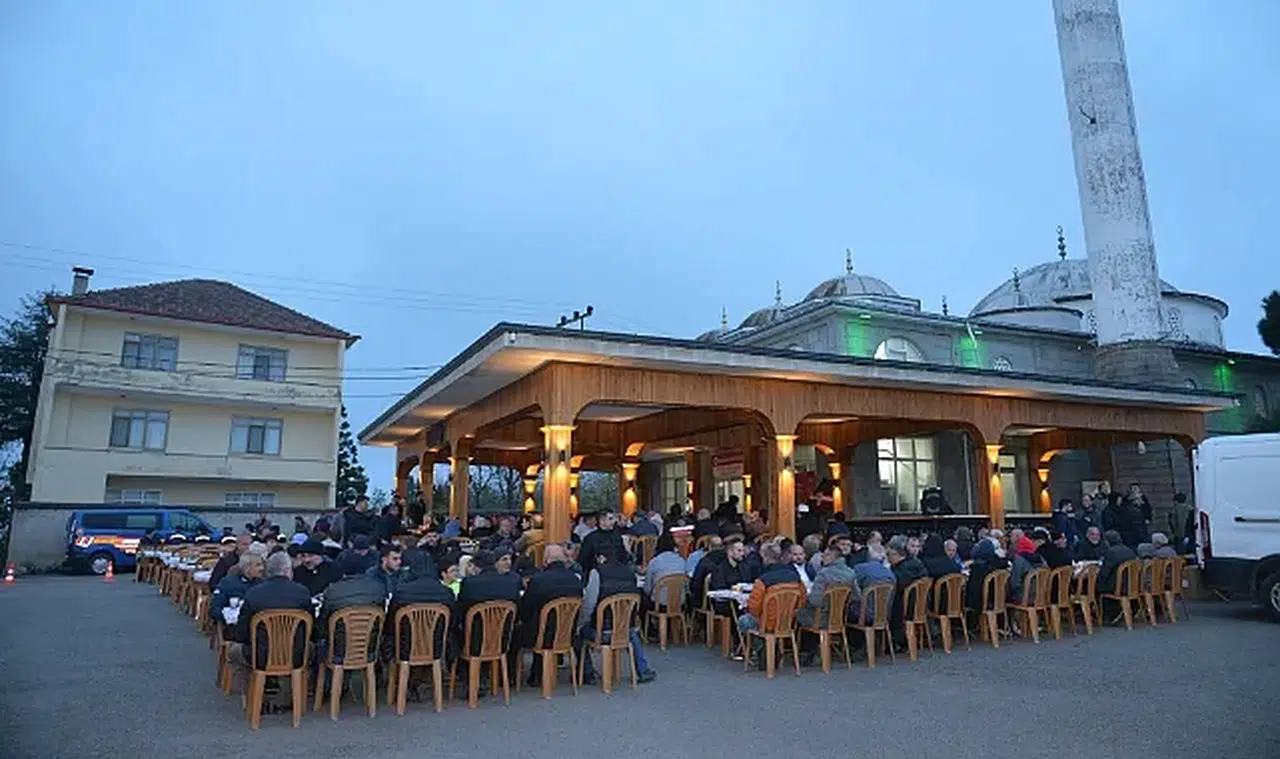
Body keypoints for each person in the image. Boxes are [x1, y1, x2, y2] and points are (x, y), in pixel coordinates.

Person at [228, 552, 313, 694]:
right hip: (295, 653)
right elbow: (310, 628)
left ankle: (251, 694)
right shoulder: (302, 593)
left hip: (259, 655)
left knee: (233, 651)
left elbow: (242, 633)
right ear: (287, 570)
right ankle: (293, 694)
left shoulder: (253, 594)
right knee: (311, 648)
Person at [579, 542, 656, 684]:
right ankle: (643, 670)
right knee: (632, 633)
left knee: (578, 633)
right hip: (624, 629)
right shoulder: (630, 573)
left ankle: (587, 673)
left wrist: (582, 623)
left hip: (602, 632)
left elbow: (590, 604)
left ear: (600, 557)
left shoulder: (597, 573)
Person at [518, 544, 582, 687]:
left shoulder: (539, 580)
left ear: (546, 560)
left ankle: (513, 677)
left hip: (541, 635)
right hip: (567, 634)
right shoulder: (575, 579)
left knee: (519, 631)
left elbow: (526, 610)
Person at [455, 550, 522, 657]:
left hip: (475, 642)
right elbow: (518, 611)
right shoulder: (511, 582)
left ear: (476, 566)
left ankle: (463, 670)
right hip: (503, 640)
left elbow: (460, 611)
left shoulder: (469, 583)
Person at [795, 543, 856, 629]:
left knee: (796, 614)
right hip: (841, 618)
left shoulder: (823, 574)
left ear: (831, 557)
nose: (822, 557)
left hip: (821, 619)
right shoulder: (851, 573)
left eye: (824, 555)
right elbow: (857, 596)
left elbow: (815, 600)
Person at [209, 550, 266, 622]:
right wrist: (228, 614)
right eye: (258, 565)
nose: (262, 568)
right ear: (246, 568)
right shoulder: (228, 583)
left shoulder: (263, 584)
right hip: (236, 626)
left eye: (262, 565)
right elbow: (215, 610)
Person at [848, 544, 895, 624]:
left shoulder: (860, 568)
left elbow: (852, 588)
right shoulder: (891, 574)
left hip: (864, 616)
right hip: (885, 615)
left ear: (868, 555)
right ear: (884, 557)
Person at [578, 510, 627, 578]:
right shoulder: (591, 538)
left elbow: (623, 555)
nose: (613, 522)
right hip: (598, 574)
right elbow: (583, 560)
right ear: (602, 521)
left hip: (617, 573)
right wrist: (596, 562)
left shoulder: (617, 536)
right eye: (610, 519)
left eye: (613, 519)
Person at [643, 533, 685, 610]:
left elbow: (647, 589)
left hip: (659, 604)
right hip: (679, 603)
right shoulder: (681, 560)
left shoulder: (654, 562)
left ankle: (649, 621)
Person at [1097, 529, 1138, 602]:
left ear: (1107, 541)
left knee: (1092, 586)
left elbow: (1105, 573)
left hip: (1118, 586)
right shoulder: (1130, 550)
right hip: (1132, 584)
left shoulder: (1111, 552)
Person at [1008, 531, 1047, 604]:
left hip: (1026, 597)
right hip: (1042, 596)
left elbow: (1014, 584)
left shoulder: (1019, 560)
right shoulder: (1041, 559)